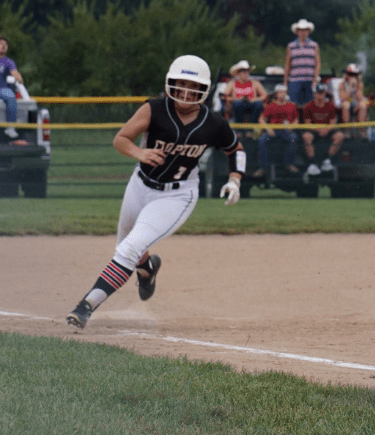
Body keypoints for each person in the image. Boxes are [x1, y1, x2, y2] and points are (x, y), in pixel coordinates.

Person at [66, 55, 246, 330]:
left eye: (193, 86)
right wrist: (140, 152)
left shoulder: (214, 123)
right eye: (180, 84)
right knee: (127, 247)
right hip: (140, 185)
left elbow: (236, 150)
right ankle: (147, 269)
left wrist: (235, 180)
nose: (186, 92)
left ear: (204, 90)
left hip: (177, 195)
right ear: (170, 84)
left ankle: (85, 306)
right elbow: (121, 139)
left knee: (128, 248)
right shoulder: (154, 109)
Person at [301, 83, 345, 181]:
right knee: (306, 137)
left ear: (325, 94)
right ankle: (313, 164)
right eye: (318, 93)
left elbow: (332, 123)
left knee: (340, 135)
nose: (320, 95)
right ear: (314, 94)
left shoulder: (330, 106)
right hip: (314, 130)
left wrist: (326, 129)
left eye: (322, 93)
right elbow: (307, 124)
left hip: (327, 130)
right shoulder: (309, 106)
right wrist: (318, 129)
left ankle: (327, 160)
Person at [256, 84, 300, 177]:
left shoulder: (292, 106)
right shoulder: (271, 106)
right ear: (276, 94)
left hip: (286, 131)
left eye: (284, 92)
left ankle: (289, 165)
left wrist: (292, 126)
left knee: (293, 138)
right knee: (263, 140)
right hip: (273, 130)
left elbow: (296, 119)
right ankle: (263, 168)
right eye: (280, 92)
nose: (282, 94)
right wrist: (268, 129)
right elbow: (261, 119)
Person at [284, 19, 320, 106]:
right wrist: (285, 82)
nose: (303, 32)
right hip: (295, 79)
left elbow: (317, 63)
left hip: (310, 79)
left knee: (310, 105)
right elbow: (288, 64)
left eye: (305, 30)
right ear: (297, 32)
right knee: (293, 104)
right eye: (301, 30)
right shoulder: (291, 46)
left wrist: (315, 80)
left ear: (309, 31)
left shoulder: (314, 45)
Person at [223, 60, 268, 124]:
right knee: (237, 103)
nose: (246, 74)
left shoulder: (255, 83)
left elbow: (264, 95)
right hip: (237, 105)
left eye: (247, 71)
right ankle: (239, 127)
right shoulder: (232, 83)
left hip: (252, 103)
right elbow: (225, 96)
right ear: (238, 73)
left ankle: (252, 126)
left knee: (258, 104)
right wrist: (236, 99)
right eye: (243, 71)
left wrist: (255, 99)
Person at [0, 36, 24, 139]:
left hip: (2, 88)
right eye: (1, 44)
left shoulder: (8, 62)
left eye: (6, 45)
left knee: (10, 96)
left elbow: (15, 73)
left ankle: (10, 127)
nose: (4, 46)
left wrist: (19, 78)